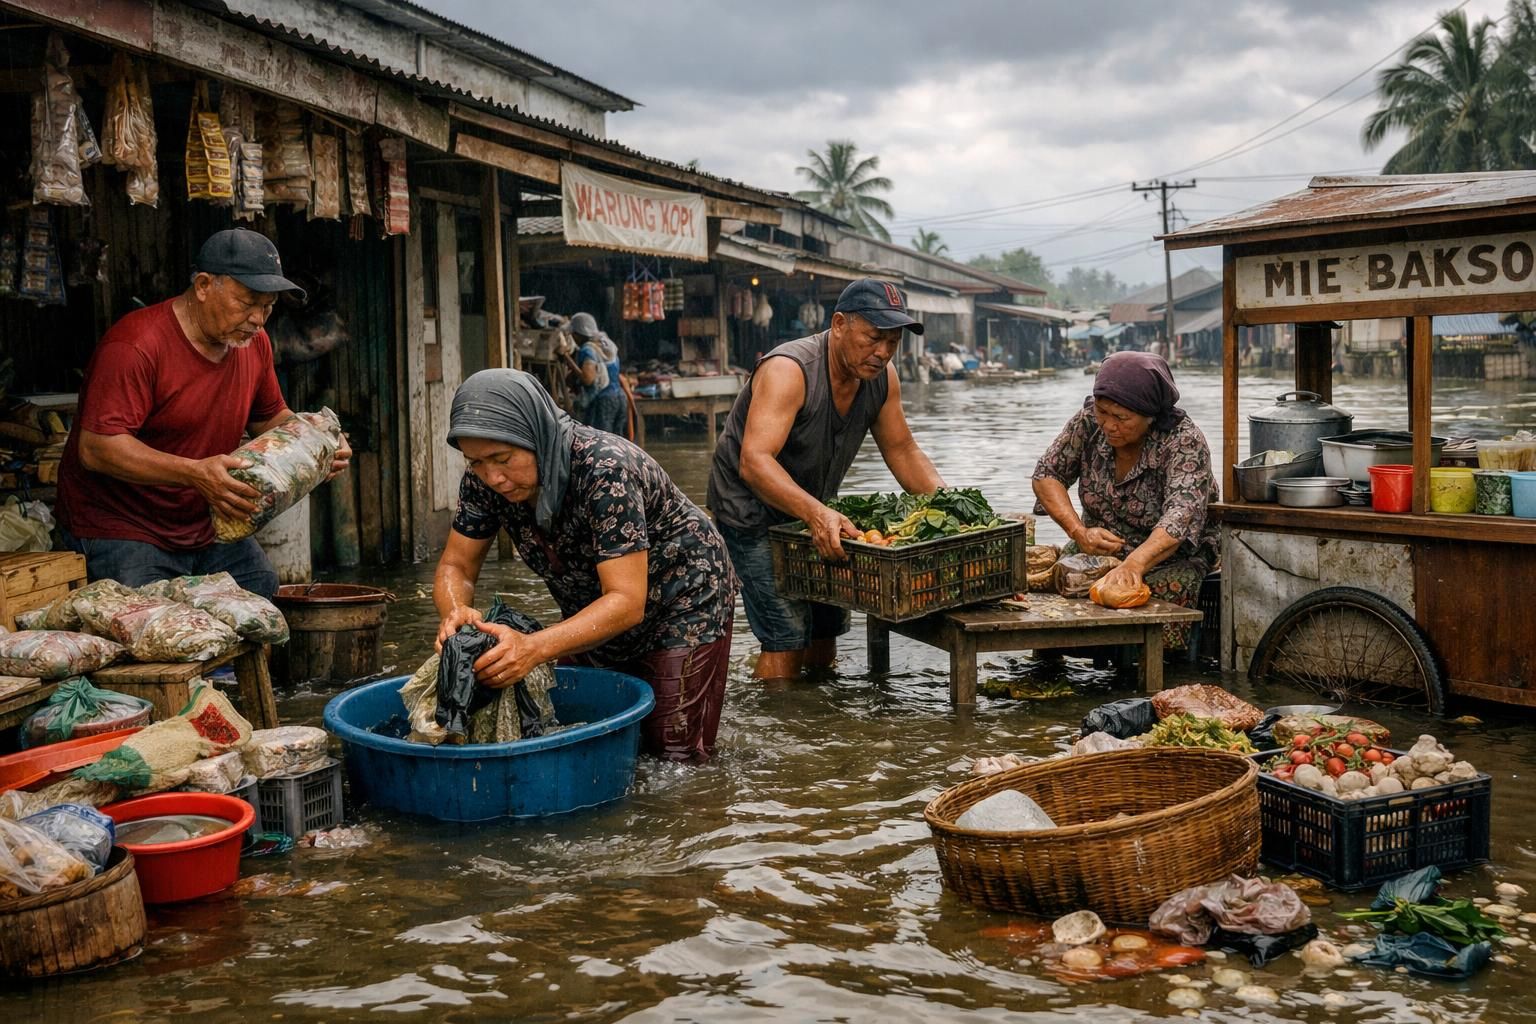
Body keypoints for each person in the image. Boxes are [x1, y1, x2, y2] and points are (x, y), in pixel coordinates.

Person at [433, 369, 736, 764]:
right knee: (573, 720)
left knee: (672, 753)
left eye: (503, 459)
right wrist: (456, 612)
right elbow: (456, 566)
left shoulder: (604, 469)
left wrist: (532, 647)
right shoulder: (482, 484)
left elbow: (626, 601)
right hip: (595, 600)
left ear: (536, 436)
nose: (494, 477)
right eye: (475, 462)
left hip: (684, 595)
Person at [56, 229, 351, 599]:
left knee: (261, 589)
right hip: (123, 527)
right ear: (204, 285)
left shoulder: (253, 343)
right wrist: (195, 473)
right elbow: (97, 448)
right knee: (154, 623)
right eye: (247, 303)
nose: (258, 319)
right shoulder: (135, 345)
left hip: (202, 525)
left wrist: (318, 441)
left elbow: (270, 417)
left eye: (268, 306)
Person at [707, 278, 945, 679]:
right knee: (786, 633)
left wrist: (954, 511)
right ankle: (776, 712)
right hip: (750, 512)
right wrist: (817, 514)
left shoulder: (883, 378)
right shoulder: (789, 370)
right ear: (838, 325)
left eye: (893, 342)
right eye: (873, 338)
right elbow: (755, 462)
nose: (882, 352)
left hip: (813, 507)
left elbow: (903, 451)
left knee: (826, 623)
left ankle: (820, 710)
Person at [1031, 351, 1218, 647]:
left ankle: (1155, 669)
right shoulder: (1088, 422)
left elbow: (1179, 518)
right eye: (1102, 412)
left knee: (1155, 599)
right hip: (1099, 544)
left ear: (1150, 417)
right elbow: (1047, 474)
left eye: (1121, 418)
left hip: (1169, 557)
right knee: (1057, 588)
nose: (1108, 425)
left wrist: (1134, 565)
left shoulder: (1183, 441)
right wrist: (1079, 532)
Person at [564, 312, 627, 437]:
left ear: (578, 334)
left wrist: (568, 360)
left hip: (603, 401)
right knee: (616, 441)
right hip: (619, 397)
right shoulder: (606, 344)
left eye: (574, 334)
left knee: (601, 441)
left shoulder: (587, 349)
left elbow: (588, 379)